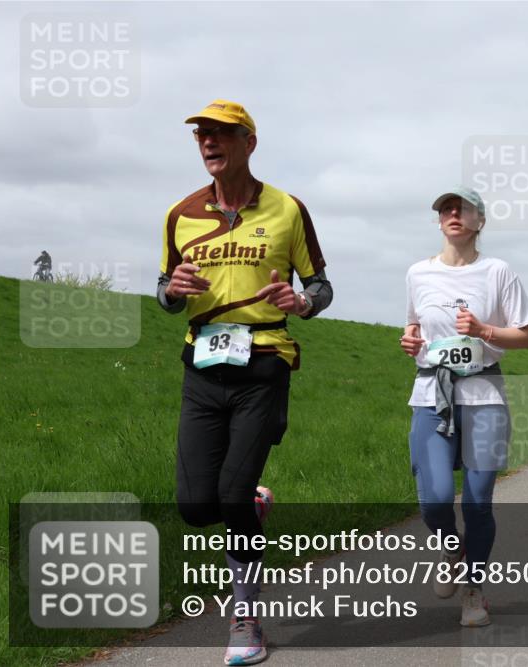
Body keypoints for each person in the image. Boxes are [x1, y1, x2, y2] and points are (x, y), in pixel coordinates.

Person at [157, 99, 332, 666]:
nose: (209, 142)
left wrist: (301, 301)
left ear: (249, 143)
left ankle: (246, 618)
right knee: (193, 505)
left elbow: (321, 286)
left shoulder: (287, 209)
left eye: (222, 134)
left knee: (230, 497)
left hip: (264, 362)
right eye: (202, 135)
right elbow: (164, 291)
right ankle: (254, 504)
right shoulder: (179, 214)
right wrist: (172, 291)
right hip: (201, 364)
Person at [400, 186, 528, 627]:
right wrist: (409, 340)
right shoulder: (418, 273)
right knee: (435, 499)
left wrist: (484, 330)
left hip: (484, 396)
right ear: (439, 221)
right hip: (430, 395)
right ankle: (451, 547)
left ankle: (474, 591)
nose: (454, 214)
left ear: (480, 222)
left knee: (478, 502)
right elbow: (413, 325)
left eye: (463, 209)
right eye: (446, 209)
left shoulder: (498, 272)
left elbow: (526, 336)